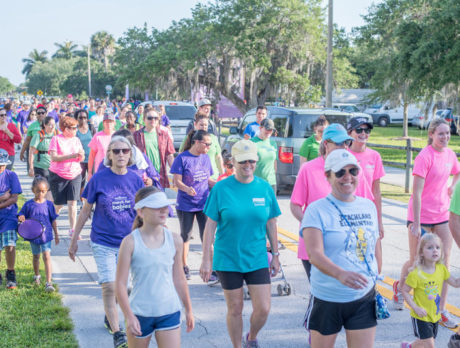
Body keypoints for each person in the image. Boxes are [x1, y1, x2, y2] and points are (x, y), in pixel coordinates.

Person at [200, 139, 281, 348]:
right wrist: (206, 260)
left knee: (263, 308)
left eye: (252, 161)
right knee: (235, 308)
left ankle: (251, 337)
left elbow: (271, 223)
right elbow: (210, 226)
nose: (248, 165)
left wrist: (277, 256)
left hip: (257, 257)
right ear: (233, 162)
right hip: (228, 258)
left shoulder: (264, 188)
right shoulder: (221, 189)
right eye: (243, 161)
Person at [69, 136, 144, 348]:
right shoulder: (98, 179)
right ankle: (118, 333)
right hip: (103, 241)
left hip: (129, 243)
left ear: (130, 155)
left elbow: (142, 212)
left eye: (125, 151)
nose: (121, 154)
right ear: (109, 155)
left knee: (127, 289)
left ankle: (108, 314)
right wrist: (74, 240)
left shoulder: (136, 179)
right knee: (110, 285)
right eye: (116, 151)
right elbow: (85, 211)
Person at [302, 149, 379, 348]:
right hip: (328, 297)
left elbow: (375, 242)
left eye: (353, 171)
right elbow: (314, 254)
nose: (348, 177)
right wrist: (340, 274)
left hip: (363, 296)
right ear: (327, 176)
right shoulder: (316, 210)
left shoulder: (368, 206)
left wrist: (376, 273)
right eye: (340, 172)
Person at [393, 119, 460, 329]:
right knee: (416, 260)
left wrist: (453, 185)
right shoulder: (424, 156)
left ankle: (441, 311)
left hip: (442, 214)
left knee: (444, 263)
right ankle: (400, 287)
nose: (445, 137)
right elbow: (417, 193)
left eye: (448, 133)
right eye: (441, 134)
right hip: (421, 215)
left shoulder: (450, 155)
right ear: (431, 134)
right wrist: (416, 223)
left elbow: (457, 172)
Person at [115, 187, 194, 348]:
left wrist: (189, 309)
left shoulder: (175, 240)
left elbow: (179, 278)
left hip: (169, 311)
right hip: (140, 313)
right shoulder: (130, 242)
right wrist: (129, 316)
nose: (164, 210)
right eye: (157, 207)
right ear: (141, 212)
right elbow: (120, 284)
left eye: (165, 206)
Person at [290, 123, 353, 279]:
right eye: (338, 143)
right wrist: (313, 229)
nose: (344, 147)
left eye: (346, 142)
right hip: (315, 247)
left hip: (343, 247)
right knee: (321, 296)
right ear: (326, 144)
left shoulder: (352, 170)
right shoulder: (308, 169)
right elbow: (295, 205)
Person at [401, 233, 460, 348]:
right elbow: (404, 291)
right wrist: (415, 308)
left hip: (434, 315)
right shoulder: (416, 273)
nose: (434, 250)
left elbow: (456, 283)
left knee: (424, 340)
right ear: (421, 252)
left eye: (437, 247)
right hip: (420, 316)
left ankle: (409, 346)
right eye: (430, 247)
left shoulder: (441, 269)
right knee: (429, 344)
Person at [171, 130, 215, 280]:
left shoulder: (206, 158)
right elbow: (176, 181)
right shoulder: (182, 158)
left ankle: (212, 267)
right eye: (206, 144)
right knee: (186, 235)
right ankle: (184, 266)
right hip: (186, 204)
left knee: (208, 236)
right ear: (197, 142)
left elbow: (208, 180)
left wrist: (220, 185)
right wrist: (186, 189)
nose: (209, 147)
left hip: (204, 203)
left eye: (210, 144)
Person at [347, 116, 385, 274]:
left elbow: (376, 190)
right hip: (349, 211)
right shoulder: (344, 155)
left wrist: (379, 220)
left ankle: (376, 285)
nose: (363, 133)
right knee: (353, 255)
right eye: (359, 130)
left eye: (367, 130)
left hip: (368, 211)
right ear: (350, 132)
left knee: (376, 254)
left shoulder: (374, 156)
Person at [18, 176, 59, 292]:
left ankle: (49, 282)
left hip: (46, 236)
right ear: (33, 190)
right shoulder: (28, 205)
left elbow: (53, 220)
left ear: (47, 191)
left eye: (43, 191)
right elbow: (21, 216)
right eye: (38, 191)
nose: (40, 194)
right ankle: (37, 276)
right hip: (34, 236)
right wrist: (21, 218)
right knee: (36, 256)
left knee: (46, 256)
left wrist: (56, 234)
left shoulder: (49, 205)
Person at [48, 116, 85, 238]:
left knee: (73, 203)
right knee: (58, 204)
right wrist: (71, 156)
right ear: (65, 129)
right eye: (73, 128)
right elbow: (54, 157)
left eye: (76, 127)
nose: (75, 130)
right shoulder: (56, 139)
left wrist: (80, 156)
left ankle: (72, 230)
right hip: (58, 175)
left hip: (74, 174)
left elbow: (82, 156)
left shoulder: (76, 140)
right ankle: (50, 222)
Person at [133, 108, 175, 188]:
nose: (153, 120)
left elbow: (170, 156)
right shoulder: (136, 135)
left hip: (160, 176)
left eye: (156, 118)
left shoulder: (164, 134)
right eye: (150, 118)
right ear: (144, 119)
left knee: (160, 200)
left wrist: (175, 174)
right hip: (143, 176)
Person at [0, 149, 22, 289]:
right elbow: (7, 197)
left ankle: (10, 272)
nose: (0, 167)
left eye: (2, 164)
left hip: (8, 215)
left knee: (10, 244)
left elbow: (14, 198)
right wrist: (2, 198)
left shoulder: (11, 175)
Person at [180, 114, 223, 180]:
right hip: (195, 178)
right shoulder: (189, 138)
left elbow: (218, 157)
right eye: (201, 125)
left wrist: (222, 174)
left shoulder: (213, 138)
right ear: (195, 124)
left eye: (206, 125)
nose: (204, 127)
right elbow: (182, 156)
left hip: (213, 177)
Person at [251, 118, 278, 192]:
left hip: (271, 183)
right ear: (260, 128)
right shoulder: (252, 143)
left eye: (271, 130)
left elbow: (275, 164)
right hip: (256, 182)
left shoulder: (273, 144)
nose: (269, 132)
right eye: (267, 129)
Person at [28, 116, 56, 187]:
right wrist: (31, 168)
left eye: (54, 125)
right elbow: (31, 152)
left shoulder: (55, 135)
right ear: (44, 125)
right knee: (41, 187)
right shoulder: (38, 135)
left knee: (50, 189)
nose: (52, 127)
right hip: (40, 166)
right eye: (50, 124)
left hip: (53, 167)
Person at [87, 112, 116, 182]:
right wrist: (90, 172)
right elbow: (91, 155)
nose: (108, 124)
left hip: (114, 171)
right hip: (100, 171)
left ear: (114, 123)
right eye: (106, 122)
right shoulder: (97, 136)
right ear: (103, 123)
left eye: (110, 122)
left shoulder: (117, 136)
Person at [20, 105, 48, 172]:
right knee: (37, 177)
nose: (40, 114)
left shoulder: (51, 124)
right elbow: (27, 140)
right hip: (34, 155)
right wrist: (22, 152)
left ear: (46, 113)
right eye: (38, 113)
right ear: (36, 115)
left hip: (47, 156)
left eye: (42, 113)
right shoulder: (32, 126)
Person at [74, 109, 95, 195]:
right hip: (80, 160)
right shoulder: (75, 130)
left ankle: (91, 198)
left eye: (85, 117)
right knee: (81, 181)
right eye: (80, 117)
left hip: (91, 159)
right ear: (77, 119)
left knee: (93, 180)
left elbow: (96, 141)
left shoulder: (91, 128)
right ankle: (82, 199)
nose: (83, 119)